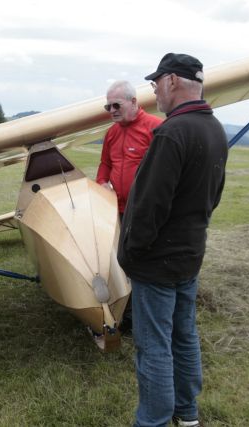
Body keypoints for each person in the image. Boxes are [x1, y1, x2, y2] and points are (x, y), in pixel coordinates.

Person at [117, 53, 228, 427]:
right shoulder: (214, 129)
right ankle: (187, 413)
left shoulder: (171, 132)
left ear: (173, 82)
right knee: (184, 336)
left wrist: (133, 251)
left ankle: (152, 420)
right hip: (189, 255)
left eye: (155, 84)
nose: (155, 93)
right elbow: (214, 196)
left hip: (157, 263)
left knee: (153, 347)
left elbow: (149, 206)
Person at [96, 80, 163, 334]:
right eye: (108, 106)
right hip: (117, 210)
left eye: (116, 105)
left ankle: (150, 314)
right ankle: (130, 312)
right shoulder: (112, 132)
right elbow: (105, 164)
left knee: (145, 261)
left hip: (145, 212)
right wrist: (102, 182)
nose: (111, 110)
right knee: (123, 261)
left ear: (134, 102)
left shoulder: (155, 127)